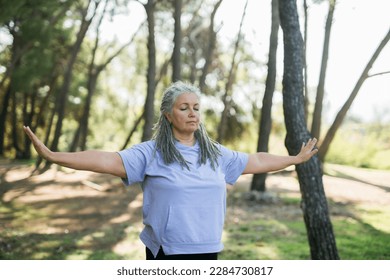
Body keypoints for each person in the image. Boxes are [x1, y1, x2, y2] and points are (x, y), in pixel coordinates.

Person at [23, 81, 318, 260]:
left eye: (197, 108)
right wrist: (53, 155)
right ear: (168, 114)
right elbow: (104, 160)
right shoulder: (149, 153)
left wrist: (293, 159)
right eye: (184, 108)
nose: (193, 113)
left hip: (207, 249)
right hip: (167, 253)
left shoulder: (215, 153)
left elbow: (257, 161)